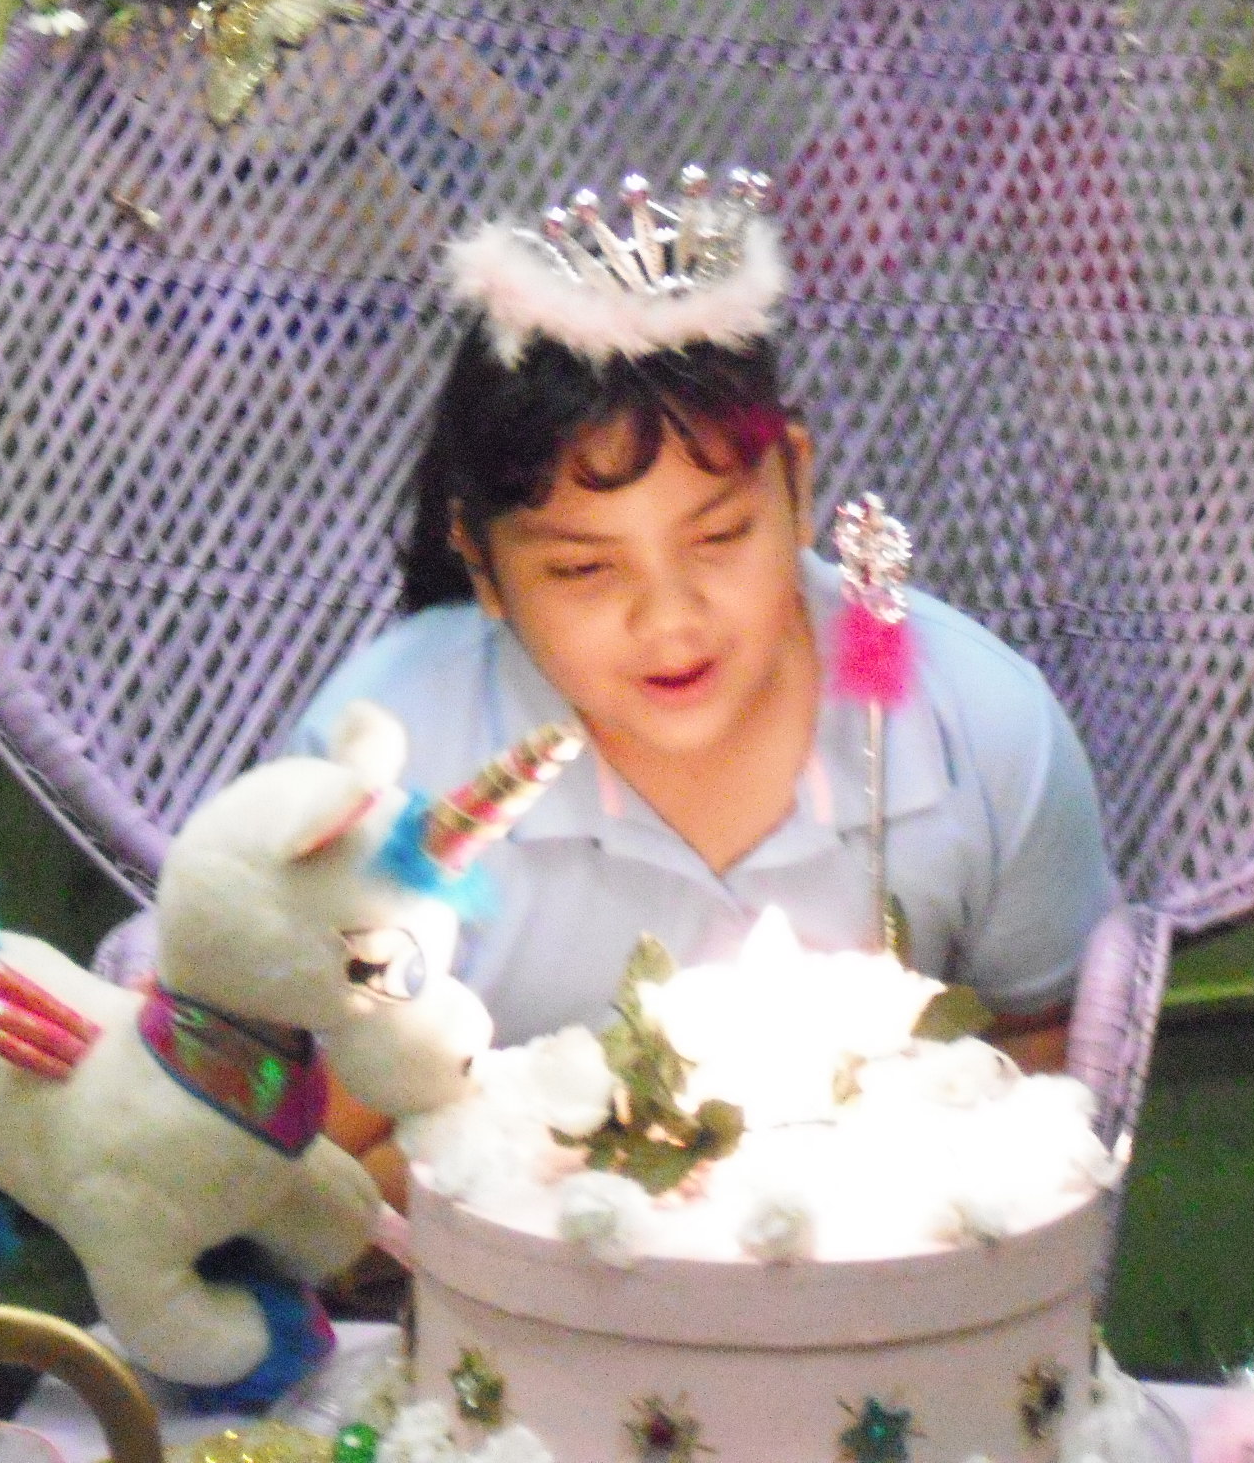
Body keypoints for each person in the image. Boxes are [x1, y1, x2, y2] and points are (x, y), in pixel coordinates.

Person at [291, 171, 1120, 1197]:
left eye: (719, 535)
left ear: (798, 485)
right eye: (583, 569)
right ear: (484, 565)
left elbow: (1043, 1076)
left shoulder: (974, 728)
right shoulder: (396, 764)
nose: (670, 621)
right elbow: (311, 1165)